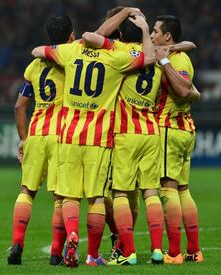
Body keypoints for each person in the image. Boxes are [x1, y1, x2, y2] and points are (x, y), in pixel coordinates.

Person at [31, 14, 155, 267]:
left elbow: (37, 51)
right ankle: (92, 255)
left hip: (68, 134)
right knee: (97, 198)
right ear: (112, 40)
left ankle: (72, 234)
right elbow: (148, 58)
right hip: (98, 139)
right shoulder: (116, 58)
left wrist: (77, 42)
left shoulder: (71, 50)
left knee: (69, 196)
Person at [94, 7, 197, 265]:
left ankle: (126, 251)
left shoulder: (118, 53)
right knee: (151, 192)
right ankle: (157, 250)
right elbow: (187, 49)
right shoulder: (159, 57)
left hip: (126, 133)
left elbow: (94, 36)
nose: (151, 34)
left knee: (119, 193)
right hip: (151, 130)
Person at [7, 15, 75, 266]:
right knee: (60, 196)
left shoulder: (34, 66)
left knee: (26, 191)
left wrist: (24, 139)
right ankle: (57, 252)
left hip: (36, 134)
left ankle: (17, 244)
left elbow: (19, 107)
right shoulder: (71, 62)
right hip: (62, 135)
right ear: (71, 36)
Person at [152, 15, 203, 264]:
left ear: (167, 36)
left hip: (169, 129)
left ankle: (174, 253)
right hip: (185, 130)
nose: (152, 36)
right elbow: (190, 44)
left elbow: (183, 91)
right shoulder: (182, 55)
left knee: (167, 188)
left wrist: (164, 59)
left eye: (155, 31)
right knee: (183, 190)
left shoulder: (172, 60)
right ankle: (194, 250)